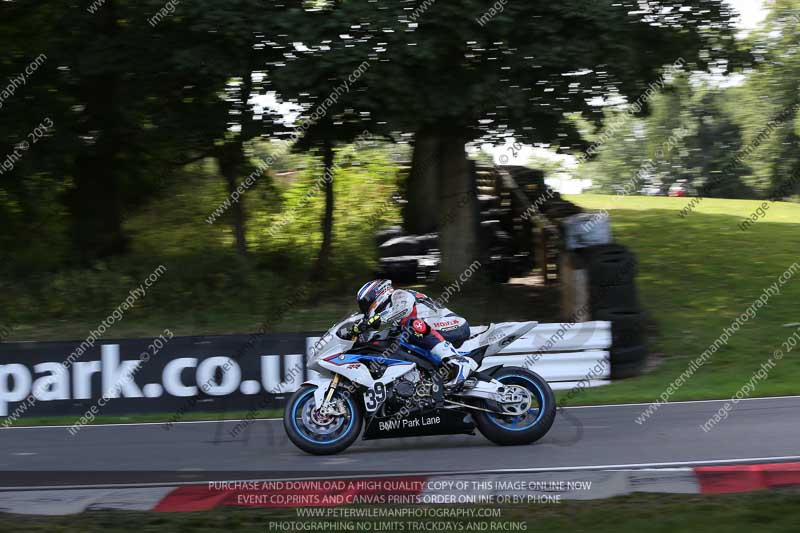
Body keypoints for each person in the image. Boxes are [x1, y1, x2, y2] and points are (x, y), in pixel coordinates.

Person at [353, 279, 478, 387]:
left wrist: (377, 319)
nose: (365, 309)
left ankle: (457, 361)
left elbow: (403, 309)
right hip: (437, 329)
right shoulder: (393, 311)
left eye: (366, 304)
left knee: (412, 325)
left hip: (454, 324)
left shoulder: (398, 295)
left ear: (377, 294)